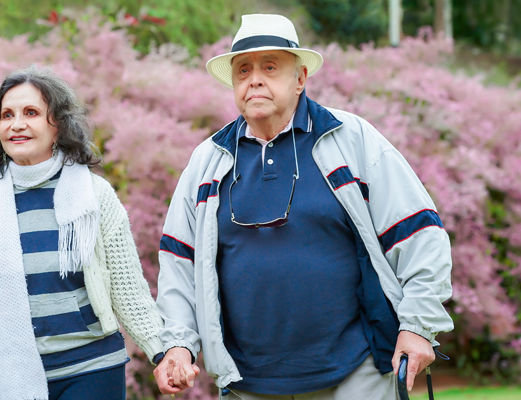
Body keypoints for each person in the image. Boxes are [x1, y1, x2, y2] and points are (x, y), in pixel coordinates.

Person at [153, 14, 453, 400]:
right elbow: (180, 262)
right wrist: (178, 343)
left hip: (356, 373)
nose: (254, 79)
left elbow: (419, 234)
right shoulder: (207, 160)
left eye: (270, 67)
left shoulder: (352, 140)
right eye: (243, 70)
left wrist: (417, 326)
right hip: (248, 381)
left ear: (300, 79)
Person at [0, 66, 164, 400]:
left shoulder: (95, 195)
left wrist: (162, 352)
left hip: (91, 370)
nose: (17, 124)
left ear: (58, 124)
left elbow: (127, 286)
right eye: (7, 115)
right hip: (5, 373)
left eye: (31, 113)